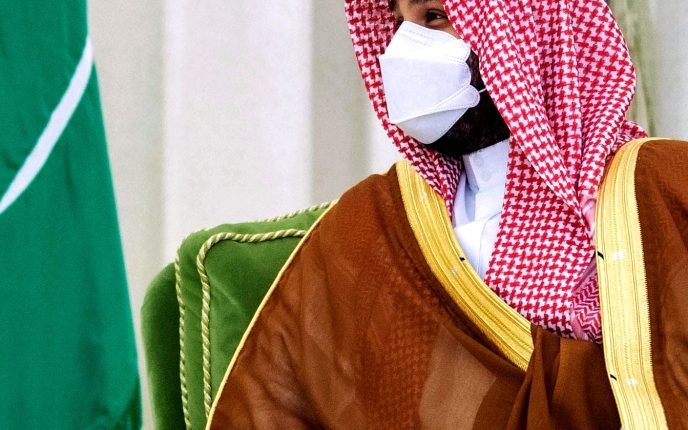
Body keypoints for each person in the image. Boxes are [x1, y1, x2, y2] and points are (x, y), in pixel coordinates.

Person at [206, 0, 688, 428]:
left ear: (528, 28)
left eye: (435, 17)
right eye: (399, 23)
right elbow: (279, 397)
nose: (403, 48)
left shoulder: (660, 187)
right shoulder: (376, 220)